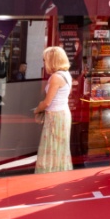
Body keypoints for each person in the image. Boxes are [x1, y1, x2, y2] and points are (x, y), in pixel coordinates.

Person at [33, 46, 73, 174]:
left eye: (45, 60)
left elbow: (47, 102)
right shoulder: (66, 74)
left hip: (55, 115)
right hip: (63, 113)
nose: (44, 63)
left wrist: (37, 109)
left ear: (52, 60)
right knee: (60, 147)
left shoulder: (55, 77)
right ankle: (60, 172)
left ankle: (49, 173)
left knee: (50, 146)